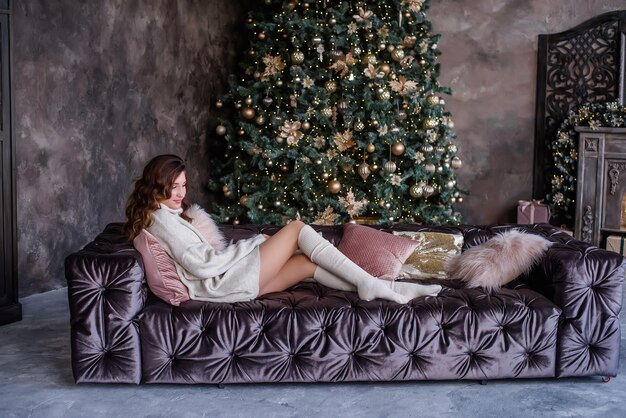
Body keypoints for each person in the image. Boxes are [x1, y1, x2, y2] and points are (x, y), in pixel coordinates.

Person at [124, 154, 442, 304]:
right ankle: (372, 284)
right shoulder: (161, 220)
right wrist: (253, 244)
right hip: (222, 286)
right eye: (173, 187)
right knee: (295, 228)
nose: (180, 193)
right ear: (157, 186)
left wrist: (254, 245)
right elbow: (204, 263)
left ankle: (386, 288)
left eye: (183, 186)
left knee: (306, 263)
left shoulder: (164, 214)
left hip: (228, 284)